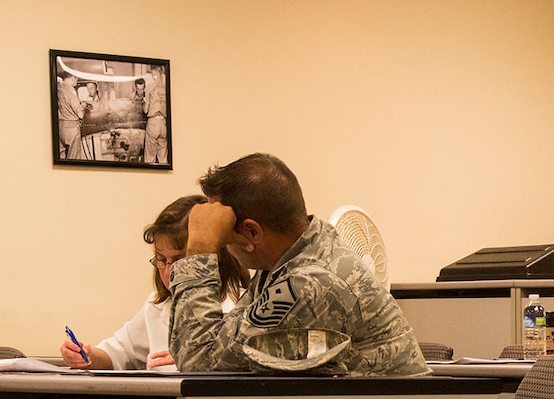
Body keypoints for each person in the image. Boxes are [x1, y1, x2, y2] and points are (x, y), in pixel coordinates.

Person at [169, 153, 426, 376]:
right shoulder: (294, 258)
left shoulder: (314, 283)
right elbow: (220, 345)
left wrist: (199, 249)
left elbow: (198, 361)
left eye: (222, 236)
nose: (224, 246)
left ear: (252, 232)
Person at [59, 195, 243, 371]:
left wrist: (190, 358)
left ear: (210, 257)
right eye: (162, 259)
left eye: (179, 261)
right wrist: (86, 356)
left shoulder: (241, 306)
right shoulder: (157, 305)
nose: (167, 272)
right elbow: (120, 352)